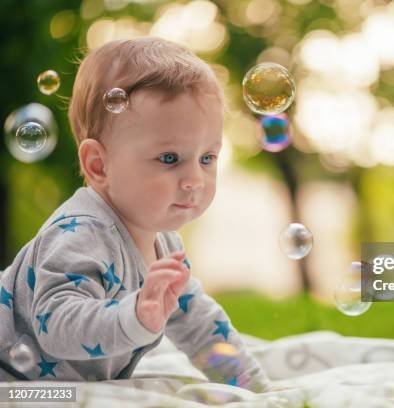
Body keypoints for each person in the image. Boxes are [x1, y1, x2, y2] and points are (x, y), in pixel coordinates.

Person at [0, 37, 270, 392]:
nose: (194, 180)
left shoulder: (162, 241)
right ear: (99, 165)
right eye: (169, 158)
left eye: (207, 158)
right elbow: (56, 325)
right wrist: (135, 315)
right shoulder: (80, 234)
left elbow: (200, 324)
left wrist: (254, 387)